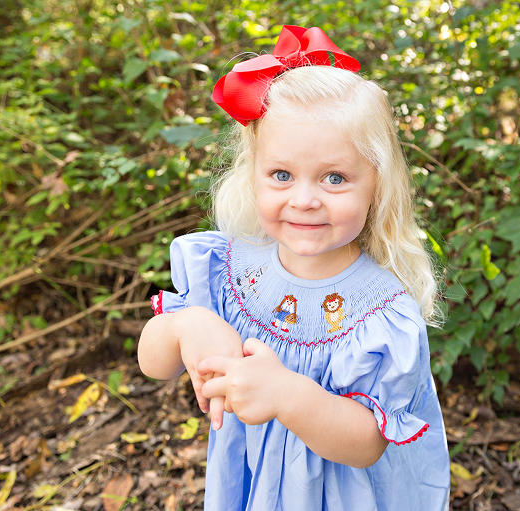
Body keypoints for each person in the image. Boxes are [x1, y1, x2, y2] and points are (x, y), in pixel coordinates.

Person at [138, 25, 450, 511]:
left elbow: (368, 445)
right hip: (252, 487)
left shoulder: (382, 311)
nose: (304, 200)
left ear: (377, 185)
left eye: (335, 178)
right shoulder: (230, 269)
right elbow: (153, 364)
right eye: (281, 175)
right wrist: (185, 325)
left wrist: (287, 395)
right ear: (254, 173)